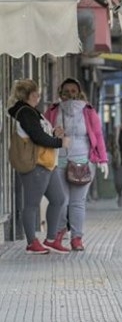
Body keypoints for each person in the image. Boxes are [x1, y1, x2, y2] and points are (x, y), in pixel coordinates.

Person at [43, 78, 109, 251]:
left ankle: (77, 238)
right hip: (59, 160)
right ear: (60, 92)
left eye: (73, 90)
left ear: (79, 92)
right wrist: (52, 132)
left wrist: (102, 159)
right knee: (61, 200)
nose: (70, 94)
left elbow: (98, 135)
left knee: (77, 202)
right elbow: (42, 131)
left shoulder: (88, 111)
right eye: (66, 90)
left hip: (83, 160)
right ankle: (59, 234)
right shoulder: (53, 110)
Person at [7, 79, 69, 254]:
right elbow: (37, 137)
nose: (39, 97)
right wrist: (59, 142)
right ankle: (31, 242)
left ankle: (50, 239)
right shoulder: (25, 112)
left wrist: (54, 133)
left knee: (58, 199)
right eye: (36, 94)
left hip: (48, 163)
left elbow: (41, 133)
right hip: (36, 164)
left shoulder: (33, 112)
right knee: (32, 204)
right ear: (27, 95)